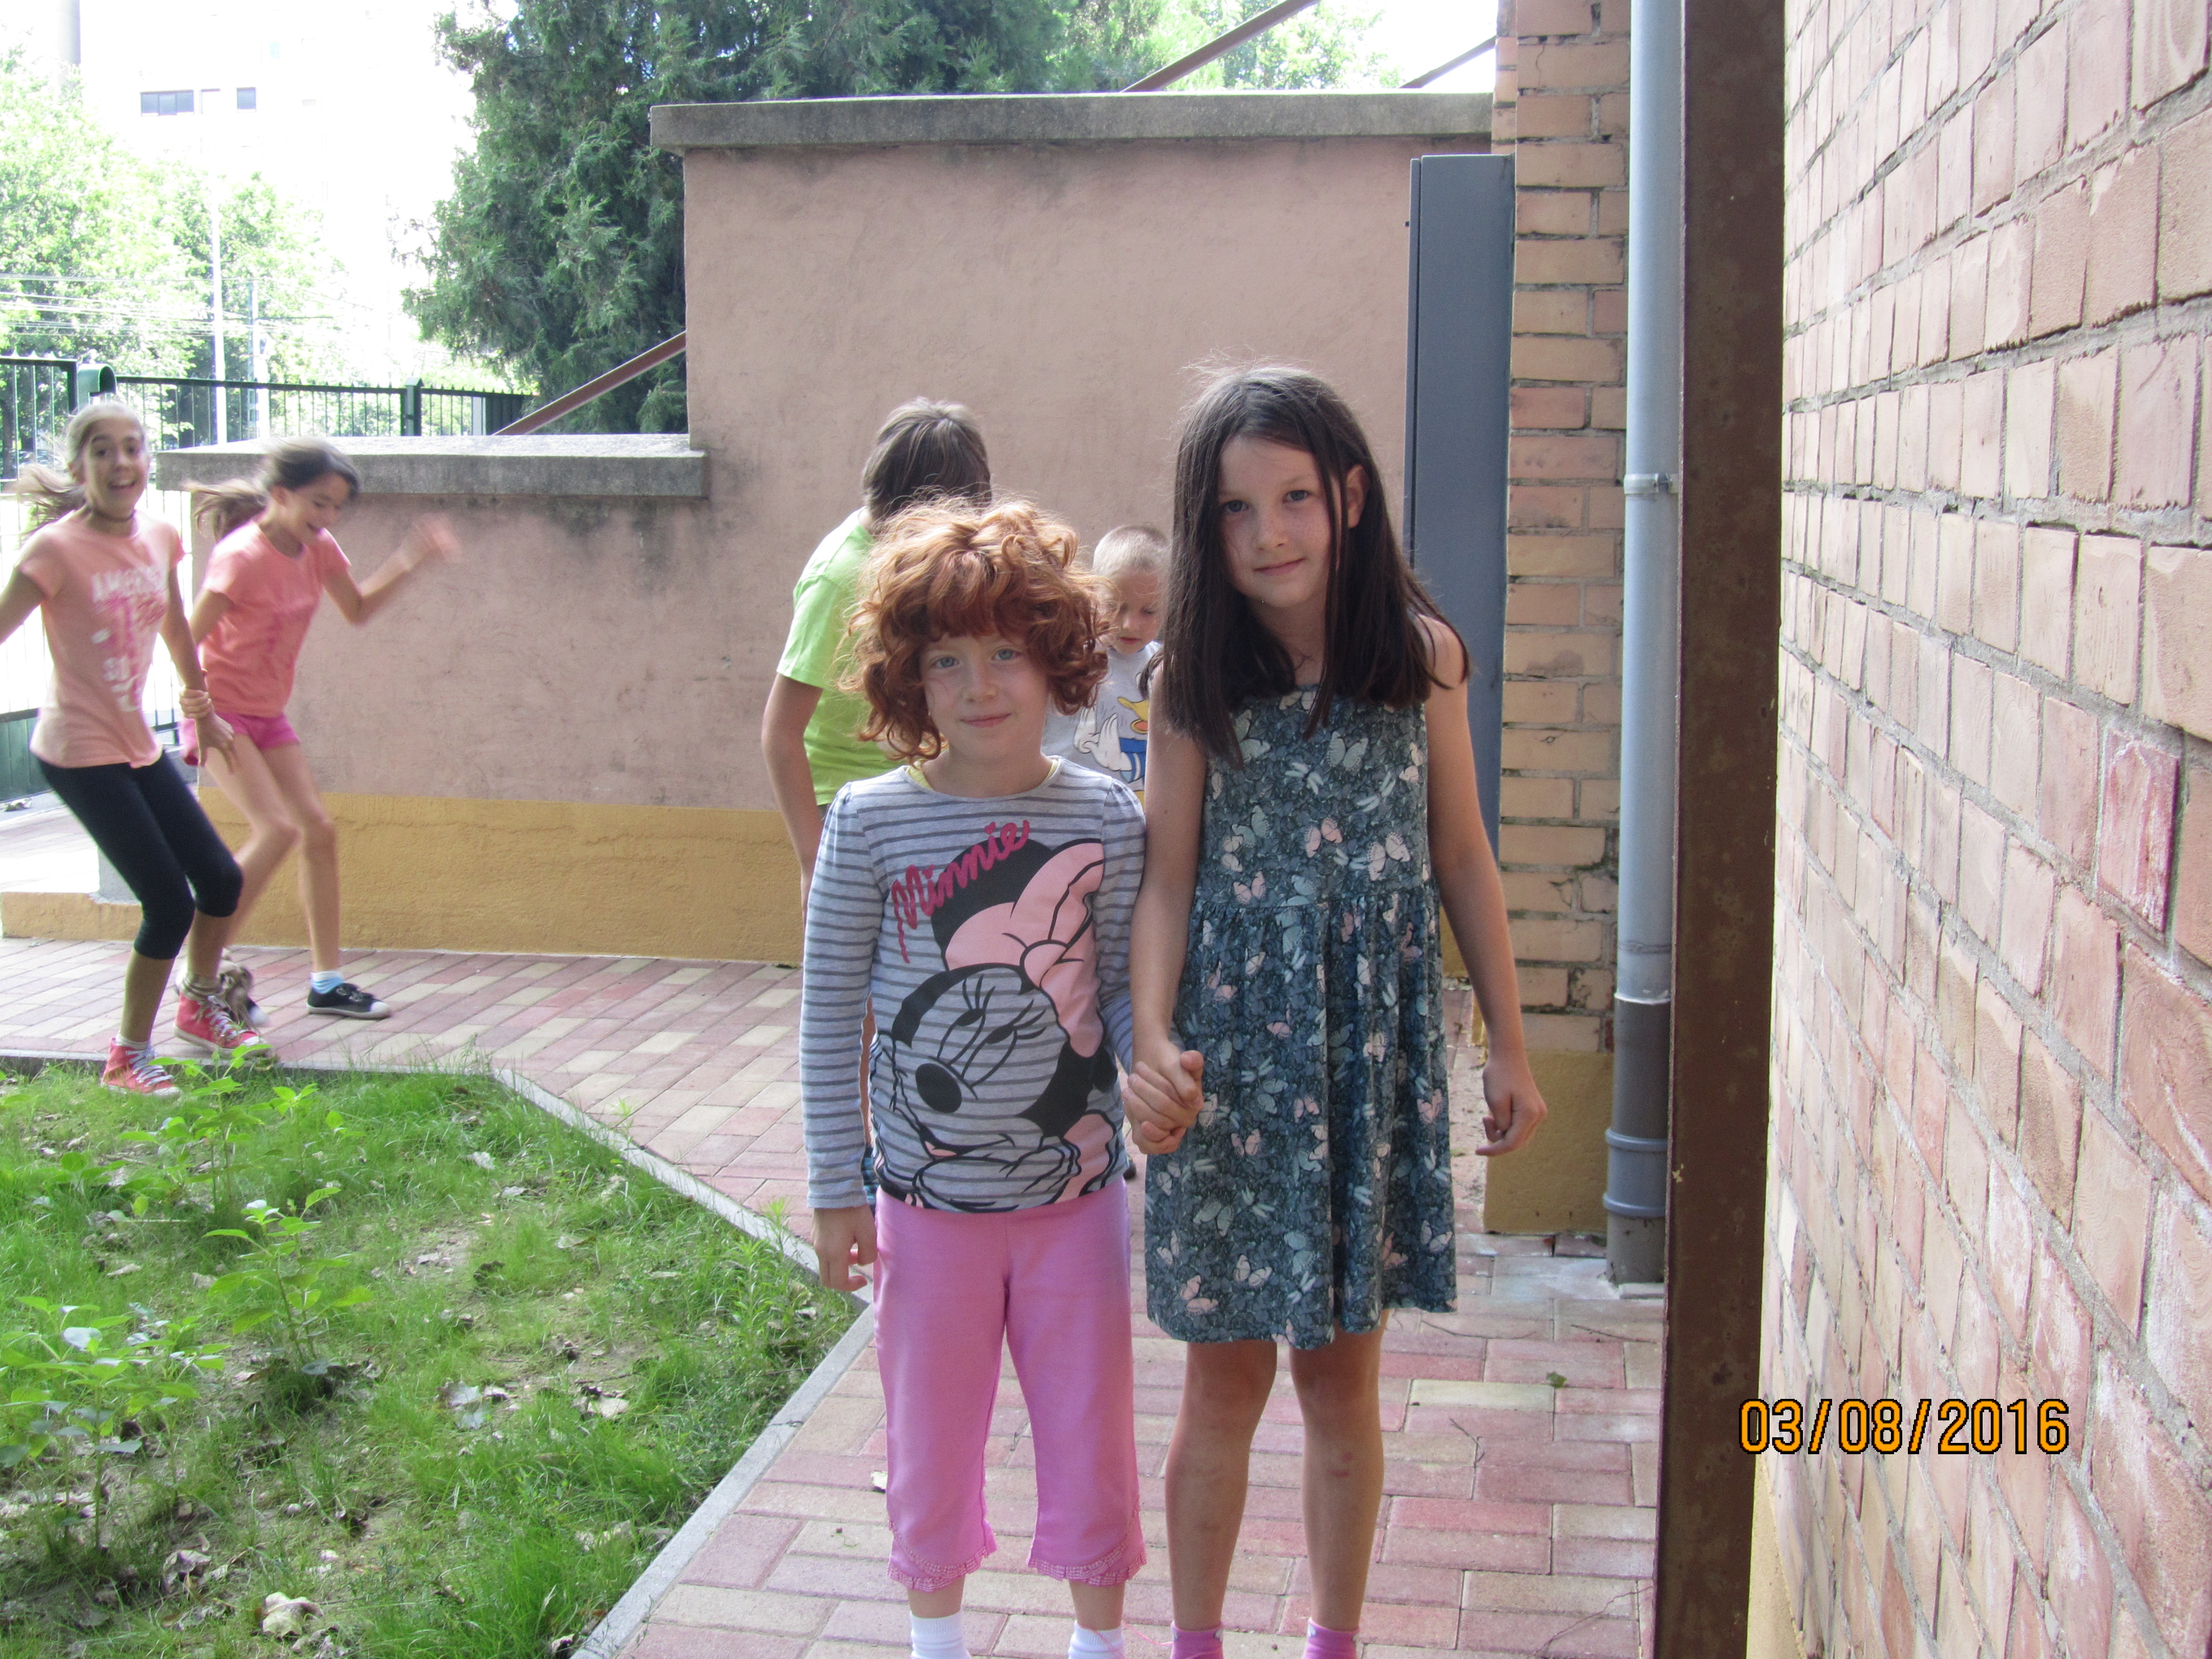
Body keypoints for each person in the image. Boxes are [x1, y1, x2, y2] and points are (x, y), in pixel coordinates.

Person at [1122, 367, 1549, 1659]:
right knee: (1225, 1376)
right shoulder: (1190, 677)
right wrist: (1152, 1038)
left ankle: (1334, 1639)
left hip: (1367, 1057)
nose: (1270, 534)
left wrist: (1510, 1042)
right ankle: (1196, 1641)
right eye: (1236, 510)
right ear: (1204, 528)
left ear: (1350, 496)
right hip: (1232, 1069)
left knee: (1341, 1379)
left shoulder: (1419, 660)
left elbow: (1462, 855)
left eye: (1295, 497)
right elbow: (1167, 876)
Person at [800, 500, 1147, 1659]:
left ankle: (1098, 1642)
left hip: (1077, 1208)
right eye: (946, 658)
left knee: (1092, 1439)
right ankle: (935, 1639)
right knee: (930, 1440)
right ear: (909, 676)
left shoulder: (1109, 815)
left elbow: (1124, 992)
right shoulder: (867, 823)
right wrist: (837, 1186)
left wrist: (1160, 1074)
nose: (979, 684)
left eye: (1006, 650)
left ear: (1058, 658)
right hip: (924, 1213)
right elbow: (828, 1015)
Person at [1, 401, 267, 1093]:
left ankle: (200, 1005)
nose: (120, 463)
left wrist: (201, 707)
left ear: (148, 460)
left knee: (221, 880)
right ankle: (127, 1057)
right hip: (78, 750)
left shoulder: (158, 536)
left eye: (132, 447)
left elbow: (176, 624)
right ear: (78, 467)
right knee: (168, 904)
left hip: (137, 743)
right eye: (102, 451)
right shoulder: (53, 551)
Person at [185, 439, 458, 1022]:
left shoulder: (319, 549)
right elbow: (186, 636)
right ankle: (201, 974)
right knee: (277, 829)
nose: (329, 516)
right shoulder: (242, 557)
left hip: (267, 713)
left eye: (337, 506)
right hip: (221, 713)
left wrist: (411, 559)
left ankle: (327, 985)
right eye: (319, 503)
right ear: (281, 494)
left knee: (318, 831)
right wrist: (200, 712)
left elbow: (356, 610)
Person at [762, 399, 992, 902]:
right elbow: (780, 732)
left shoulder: (920, 557)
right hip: (847, 808)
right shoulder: (840, 578)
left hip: (921, 791)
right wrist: (814, 860)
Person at [1044, 524, 1164, 800]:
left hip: (1132, 814)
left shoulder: (1167, 669)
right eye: (1115, 606)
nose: (1130, 624)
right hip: (1065, 807)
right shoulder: (1066, 657)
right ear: (1093, 594)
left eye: (1148, 611)